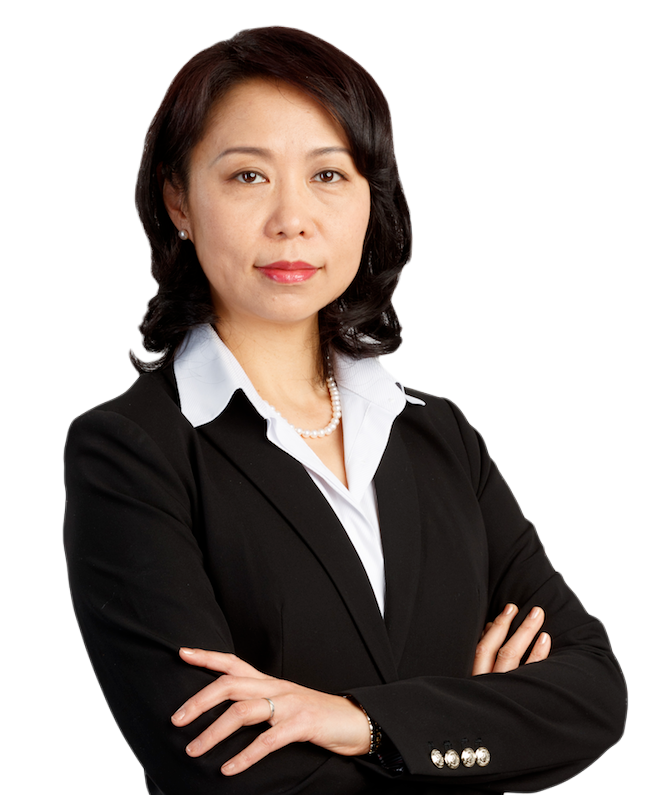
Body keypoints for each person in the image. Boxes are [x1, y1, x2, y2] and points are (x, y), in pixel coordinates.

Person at [62, 25, 627, 795]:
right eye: (248, 176)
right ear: (178, 200)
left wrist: (359, 721)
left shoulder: (436, 433)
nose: (292, 218)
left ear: (371, 198)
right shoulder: (132, 449)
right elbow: (221, 768)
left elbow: (594, 692)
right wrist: (470, 726)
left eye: (328, 174)